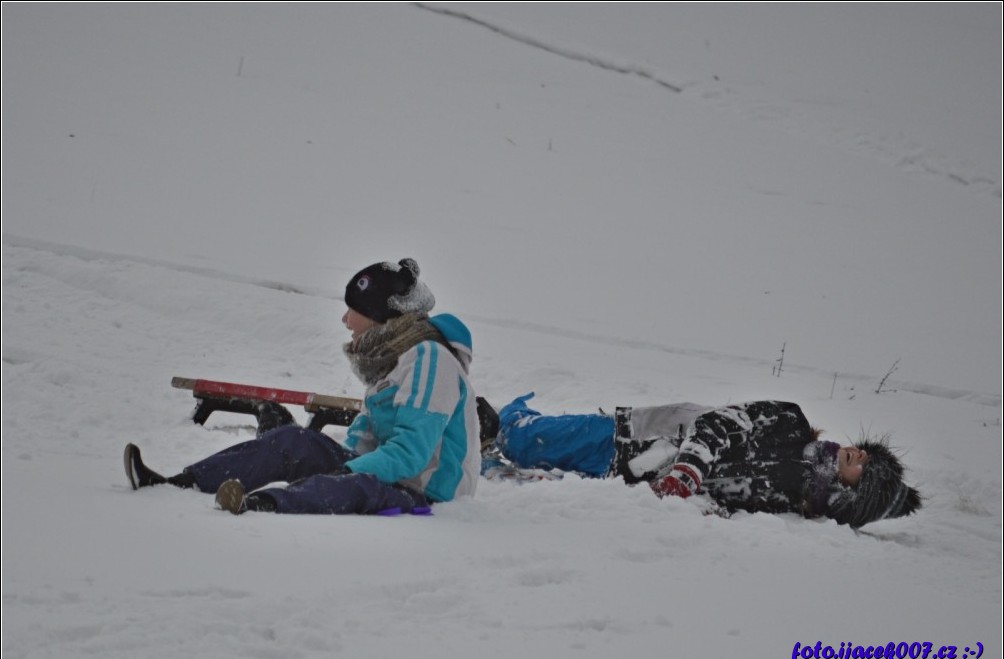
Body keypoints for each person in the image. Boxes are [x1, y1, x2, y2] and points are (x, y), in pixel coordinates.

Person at [123, 258, 482, 515]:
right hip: (393, 477)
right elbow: (361, 443)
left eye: (352, 310)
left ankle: (260, 505)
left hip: (427, 493)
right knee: (298, 442)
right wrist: (333, 461)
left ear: (379, 316)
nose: (345, 321)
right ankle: (178, 483)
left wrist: (345, 472)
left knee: (355, 484)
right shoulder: (395, 362)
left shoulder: (431, 360)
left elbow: (409, 455)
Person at [482, 393, 921, 528]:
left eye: (866, 466)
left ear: (852, 492)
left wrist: (700, 504)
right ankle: (490, 418)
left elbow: (724, 505)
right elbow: (719, 423)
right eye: (868, 451)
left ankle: (468, 455)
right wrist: (687, 474)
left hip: (628, 483)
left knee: (513, 481)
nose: (859, 453)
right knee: (520, 439)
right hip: (629, 438)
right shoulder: (790, 422)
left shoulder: (789, 505)